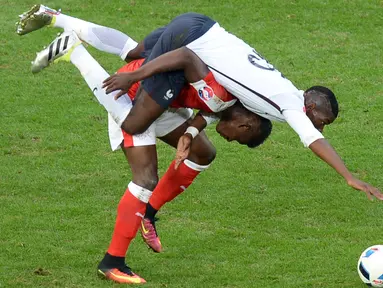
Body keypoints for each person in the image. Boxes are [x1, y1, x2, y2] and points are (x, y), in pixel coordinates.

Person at [16, 5, 272, 284]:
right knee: (145, 176)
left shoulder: (235, 96)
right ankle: (112, 262)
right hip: (135, 96)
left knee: (202, 152)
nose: (231, 139)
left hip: (167, 94)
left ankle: (147, 214)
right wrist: (135, 78)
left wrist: (189, 135)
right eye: (239, 138)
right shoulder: (221, 94)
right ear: (245, 124)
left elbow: (212, 107)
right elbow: (200, 81)